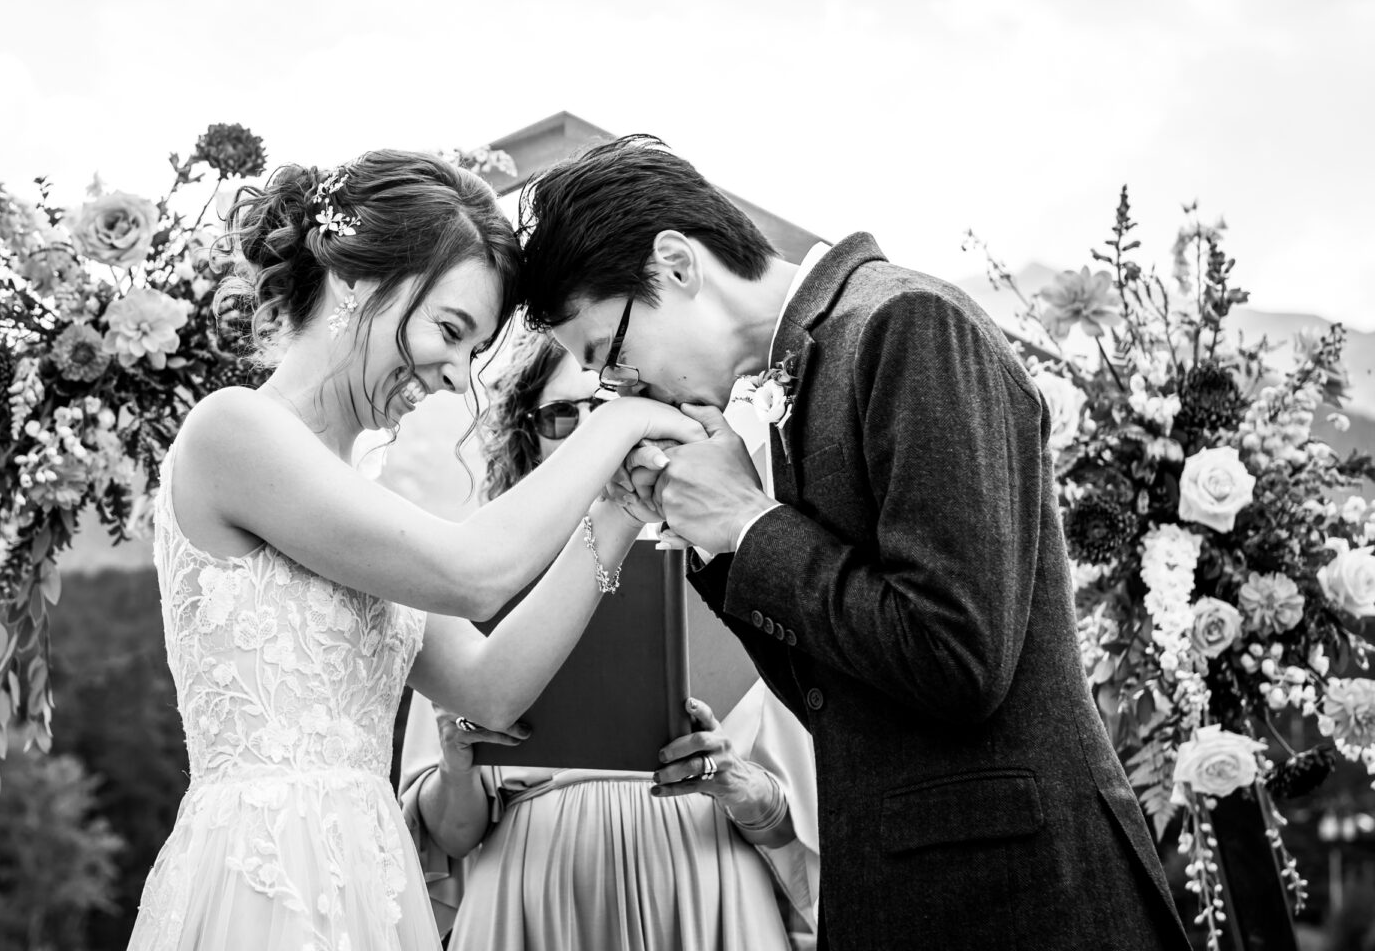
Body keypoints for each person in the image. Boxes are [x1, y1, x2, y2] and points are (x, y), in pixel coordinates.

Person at [515, 135, 1194, 951]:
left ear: (675, 264)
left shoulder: (906, 323)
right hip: (897, 896)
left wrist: (747, 525)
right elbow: (833, 695)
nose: (625, 395)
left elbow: (957, 655)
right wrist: (721, 547)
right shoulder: (790, 383)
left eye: (612, 357)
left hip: (1020, 897)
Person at [125, 150, 705, 951]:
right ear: (354, 282)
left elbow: (489, 690)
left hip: (370, 879)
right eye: (451, 330)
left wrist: (612, 514)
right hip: (266, 874)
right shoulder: (234, 430)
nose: (458, 376)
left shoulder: (365, 498)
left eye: (475, 352)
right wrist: (619, 423)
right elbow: (474, 575)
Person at [398, 328, 820, 950]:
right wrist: (458, 766)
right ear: (526, 436)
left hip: (703, 903)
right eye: (562, 415)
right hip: (529, 904)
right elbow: (447, 842)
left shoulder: (744, 578)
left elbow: (802, 829)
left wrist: (738, 783)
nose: (596, 437)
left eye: (609, 413)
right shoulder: (477, 589)